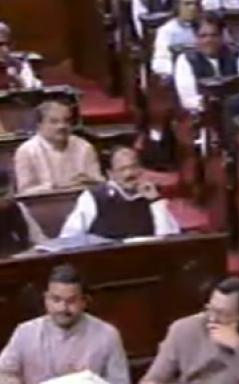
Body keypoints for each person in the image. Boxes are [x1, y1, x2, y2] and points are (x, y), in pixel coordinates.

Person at [0, 264, 130, 384]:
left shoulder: (107, 335)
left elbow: (120, 382)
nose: (63, 308)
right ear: (46, 299)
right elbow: (3, 373)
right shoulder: (25, 332)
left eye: (71, 301)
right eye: (56, 300)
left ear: (84, 301)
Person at [141, 277, 239, 384]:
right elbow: (154, 378)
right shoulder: (183, 329)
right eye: (211, 309)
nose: (213, 318)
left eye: (223, 313)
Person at [60, 147, 180, 239]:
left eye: (134, 167)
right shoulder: (93, 197)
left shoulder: (152, 196)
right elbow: (69, 238)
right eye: (123, 169)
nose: (130, 174)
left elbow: (169, 239)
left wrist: (156, 202)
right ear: (110, 174)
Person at [14, 101, 103, 195]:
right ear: (39, 125)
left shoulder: (84, 147)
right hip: (44, 205)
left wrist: (90, 181)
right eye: (54, 121)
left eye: (66, 121)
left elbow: (99, 184)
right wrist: (56, 186)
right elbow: (24, 192)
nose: (62, 126)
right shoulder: (26, 151)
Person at [174, 14, 239, 112]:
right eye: (203, 36)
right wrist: (211, 104)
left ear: (222, 36)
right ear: (196, 38)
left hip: (238, 110)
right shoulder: (185, 59)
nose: (209, 40)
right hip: (202, 113)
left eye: (214, 35)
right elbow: (188, 99)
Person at [151, 0, 202, 76]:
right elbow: (159, 62)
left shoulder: (206, 28)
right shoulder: (167, 31)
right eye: (187, 4)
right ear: (177, 6)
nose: (193, 8)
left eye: (196, 4)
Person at [0, 169, 45, 256]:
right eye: (1, 194)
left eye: (10, 191)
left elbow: (40, 241)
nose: (9, 197)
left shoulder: (18, 207)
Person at [0, 22, 41, 89]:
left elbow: (31, 90)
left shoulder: (20, 66)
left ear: (11, 45)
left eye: (0, 44)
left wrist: (17, 79)